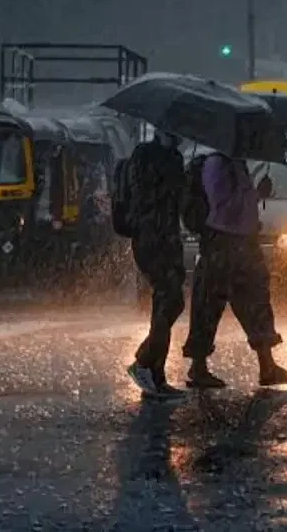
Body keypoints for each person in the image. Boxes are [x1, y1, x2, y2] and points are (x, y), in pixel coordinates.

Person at [183, 152, 287, 389]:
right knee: (208, 305)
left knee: (256, 302)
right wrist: (254, 195)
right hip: (223, 243)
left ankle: (267, 366)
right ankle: (198, 368)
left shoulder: (237, 164)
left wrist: (258, 194)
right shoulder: (216, 165)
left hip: (244, 243)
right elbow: (222, 207)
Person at [124, 130, 188, 398]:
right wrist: (173, 180)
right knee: (168, 298)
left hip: (170, 237)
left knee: (173, 301)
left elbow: (178, 202)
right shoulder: (144, 154)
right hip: (150, 238)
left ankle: (150, 365)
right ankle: (147, 367)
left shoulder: (175, 157)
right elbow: (147, 195)